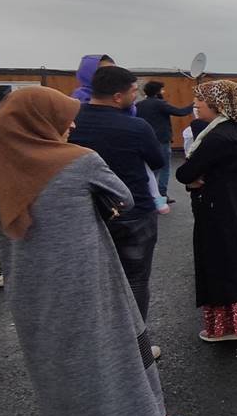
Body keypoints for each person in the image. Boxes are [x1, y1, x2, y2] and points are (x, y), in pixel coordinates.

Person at [0, 87, 193, 416]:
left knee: (58, 365)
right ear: (41, 121)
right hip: (87, 276)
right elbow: (124, 198)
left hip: (29, 284)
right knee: (121, 350)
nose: (73, 123)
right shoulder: (79, 161)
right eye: (64, 117)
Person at [68, 66, 167, 359]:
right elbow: (157, 160)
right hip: (134, 211)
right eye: (134, 91)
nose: (136, 97)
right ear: (117, 96)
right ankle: (135, 348)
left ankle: (97, 344)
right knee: (136, 279)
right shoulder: (135, 127)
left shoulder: (72, 122)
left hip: (86, 212)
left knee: (93, 280)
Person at [176, 80, 237, 342]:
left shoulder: (217, 136)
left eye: (201, 100)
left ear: (218, 104)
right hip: (233, 207)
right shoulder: (236, 131)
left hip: (218, 212)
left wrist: (193, 179)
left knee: (222, 263)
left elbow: (184, 172)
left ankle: (230, 327)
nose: (196, 104)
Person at [136, 81, 195, 201]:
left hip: (145, 140)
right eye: (162, 89)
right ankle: (161, 194)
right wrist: (195, 104)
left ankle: (149, 192)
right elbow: (180, 112)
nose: (163, 92)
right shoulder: (160, 104)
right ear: (157, 91)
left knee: (149, 168)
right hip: (161, 140)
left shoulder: (139, 105)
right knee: (164, 167)